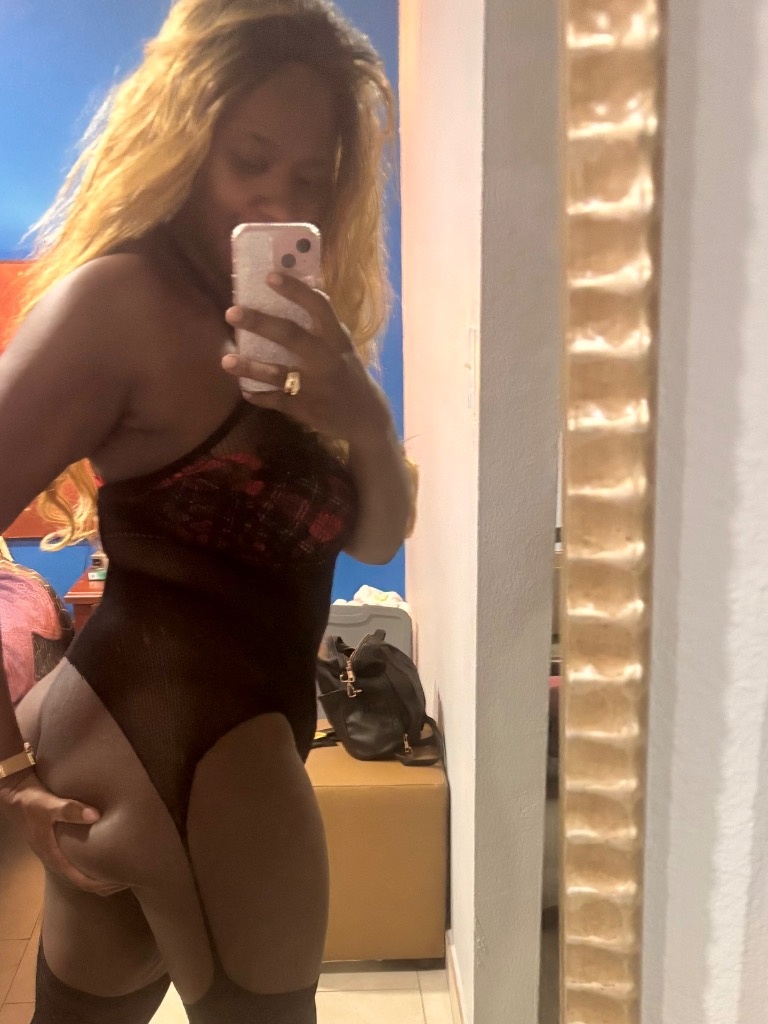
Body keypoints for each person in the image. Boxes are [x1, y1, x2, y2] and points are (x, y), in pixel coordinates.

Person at [0, 1, 414, 1021]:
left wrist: (360, 413)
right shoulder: (119, 303)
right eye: (249, 160)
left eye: (309, 177)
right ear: (188, 144)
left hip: (167, 739)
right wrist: (6, 775)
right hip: (197, 751)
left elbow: (375, 539)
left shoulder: (306, 331)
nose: (275, 196)